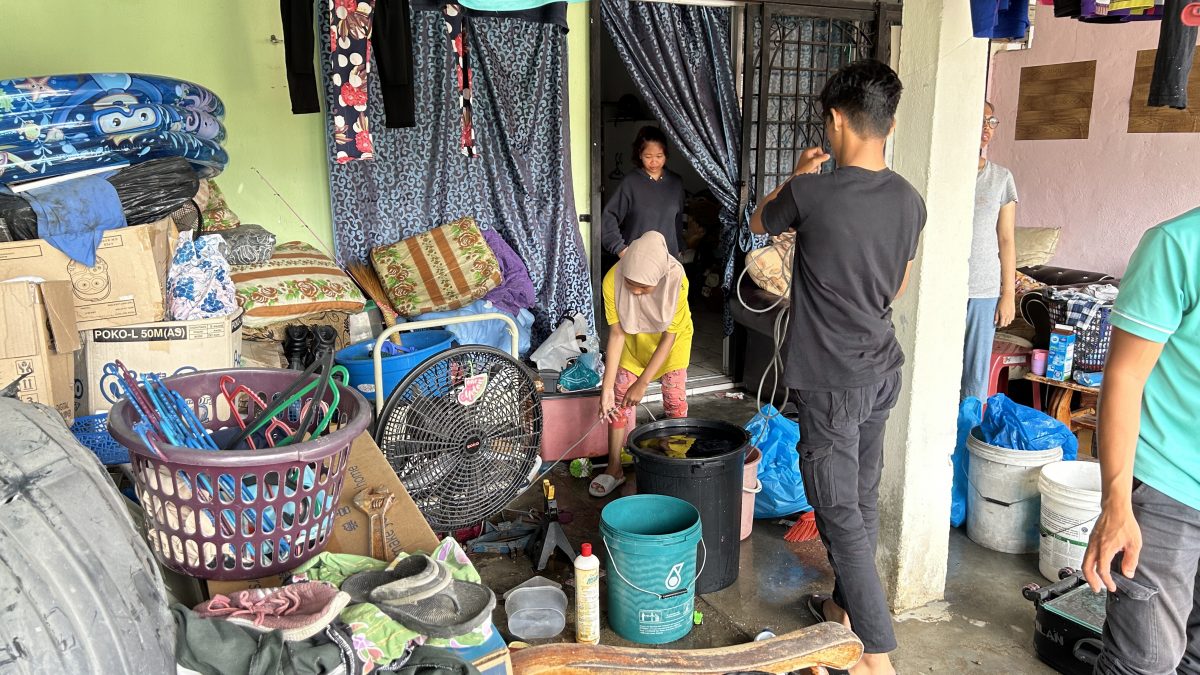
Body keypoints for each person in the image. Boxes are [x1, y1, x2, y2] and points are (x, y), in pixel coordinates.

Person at [749, 60, 926, 675]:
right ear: (890, 124)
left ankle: (876, 660)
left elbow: (758, 224)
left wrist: (795, 175)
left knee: (839, 514)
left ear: (834, 120)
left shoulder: (811, 192)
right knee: (863, 499)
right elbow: (897, 286)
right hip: (881, 369)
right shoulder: (910, 200)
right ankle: (845, 616)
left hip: (831, 381)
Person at [1081, 207, 1200, 674]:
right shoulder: (1177, 245)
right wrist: (1116, 503)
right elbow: (1125, 377)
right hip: (1166, 485)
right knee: (1143, 664)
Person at [591, 231, 693, 498]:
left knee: (674, 399)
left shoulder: (676, 282)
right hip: (633, 341)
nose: (635, 291)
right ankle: (614, 469)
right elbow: (616, 334)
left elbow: (669, 337)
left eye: (643, 287)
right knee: (618, 398)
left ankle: (675, 464)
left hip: (671, 345)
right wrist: (607, 390)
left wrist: (644, 382)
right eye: (631, 284)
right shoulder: (613, 279)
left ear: (658, 279)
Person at [961, 101, 1018, 402]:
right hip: (945, 287)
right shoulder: (947, 175)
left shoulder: (1001, 178)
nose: (986, 127)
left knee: (975, 376)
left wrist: (1007, 294)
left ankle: (964, 441)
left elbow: (1006, 239)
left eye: (992, 121)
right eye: (980, 120)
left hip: (982, 289)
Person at [600, 126, 687, 262]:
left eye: (659, 156)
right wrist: (620, 248)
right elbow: (609, 217)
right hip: (637, 262)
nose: (654, 162)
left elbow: (678, 221)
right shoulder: (631, 182)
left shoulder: (676, 183)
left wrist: (681, 249)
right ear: (640, 155)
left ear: (666, 155)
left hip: (669, 261)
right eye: (648, 156)